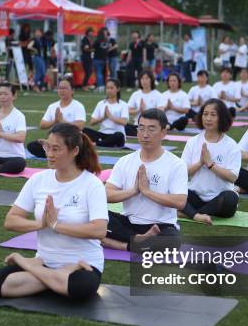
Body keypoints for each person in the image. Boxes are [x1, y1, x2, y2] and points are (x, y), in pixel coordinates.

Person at [0, 123, 107, 301]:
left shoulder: (92, 184)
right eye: (47, 147)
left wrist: (56, 225)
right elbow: (10, 220)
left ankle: (26, 264)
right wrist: (41, 224)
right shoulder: (38, 180)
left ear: (74, 151)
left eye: (56, 149)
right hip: (46, 261)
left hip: (83, 264)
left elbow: (99, 230)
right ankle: (57, 278)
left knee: (81, 288)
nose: (49, 154)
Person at [103, 108, 187, 252]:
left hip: (159, 227)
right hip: (128, 223)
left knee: (173, 240)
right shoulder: (125, 161)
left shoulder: (176, 164)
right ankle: (138, 242)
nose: (145, 135)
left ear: (163, 133)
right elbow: (106, 194)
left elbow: (180, 202)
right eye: (141, 129)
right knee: (91, 215)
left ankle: (126, 243)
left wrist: (147, 191)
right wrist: (134, 191)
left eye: (151, 129)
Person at [180, 99, 240, 225]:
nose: (208, 118)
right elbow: (182, 173)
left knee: (230, 198)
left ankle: (190, 213)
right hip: (195, 196)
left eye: (213, 115)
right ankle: (197, 214)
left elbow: (233, 177)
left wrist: (211, 164)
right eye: (205, 114)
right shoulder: (193, 142)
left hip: (219, 199)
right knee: (176, 190)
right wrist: (200, 163)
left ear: (221, 118)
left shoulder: (231, 145)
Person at [28, 77, 86, 157]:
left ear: (72, 90)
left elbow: (80, 126)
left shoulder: (78, 106)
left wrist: (62, 121)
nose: (62, 90)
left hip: (71, 141)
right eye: (60, 88)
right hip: (55, 141)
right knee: (32, 146)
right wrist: (55, 121)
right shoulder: (52, 106)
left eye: (65, 88)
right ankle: (55, 150)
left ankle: (54, 151)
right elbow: (42, 125)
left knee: (71, 146)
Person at [86, 78, 129, 148]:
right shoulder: (101, 103)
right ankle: (104, 143)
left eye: (111, 88)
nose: (109, 90)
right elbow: (92, 122)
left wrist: (110, 116)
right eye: (107, 88)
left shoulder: (123, 104)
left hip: (116, 135)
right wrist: (103, 117)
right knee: (84, 130)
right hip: (103, 134)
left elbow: (124, 122)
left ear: (117, 89)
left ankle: (97, 144)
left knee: (119, 135)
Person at [125, 71, 162, 136]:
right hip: (137, 125)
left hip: (152, 125)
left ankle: (146, 132)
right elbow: (127, 110)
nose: (144, 81)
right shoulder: (136, 94)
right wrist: (138, 110)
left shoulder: (158, 94)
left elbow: (161, 112)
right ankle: (142, 132)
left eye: (147, 78)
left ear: (151, 80)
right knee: (123, 127)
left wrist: (145, 111)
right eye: (142, 78)